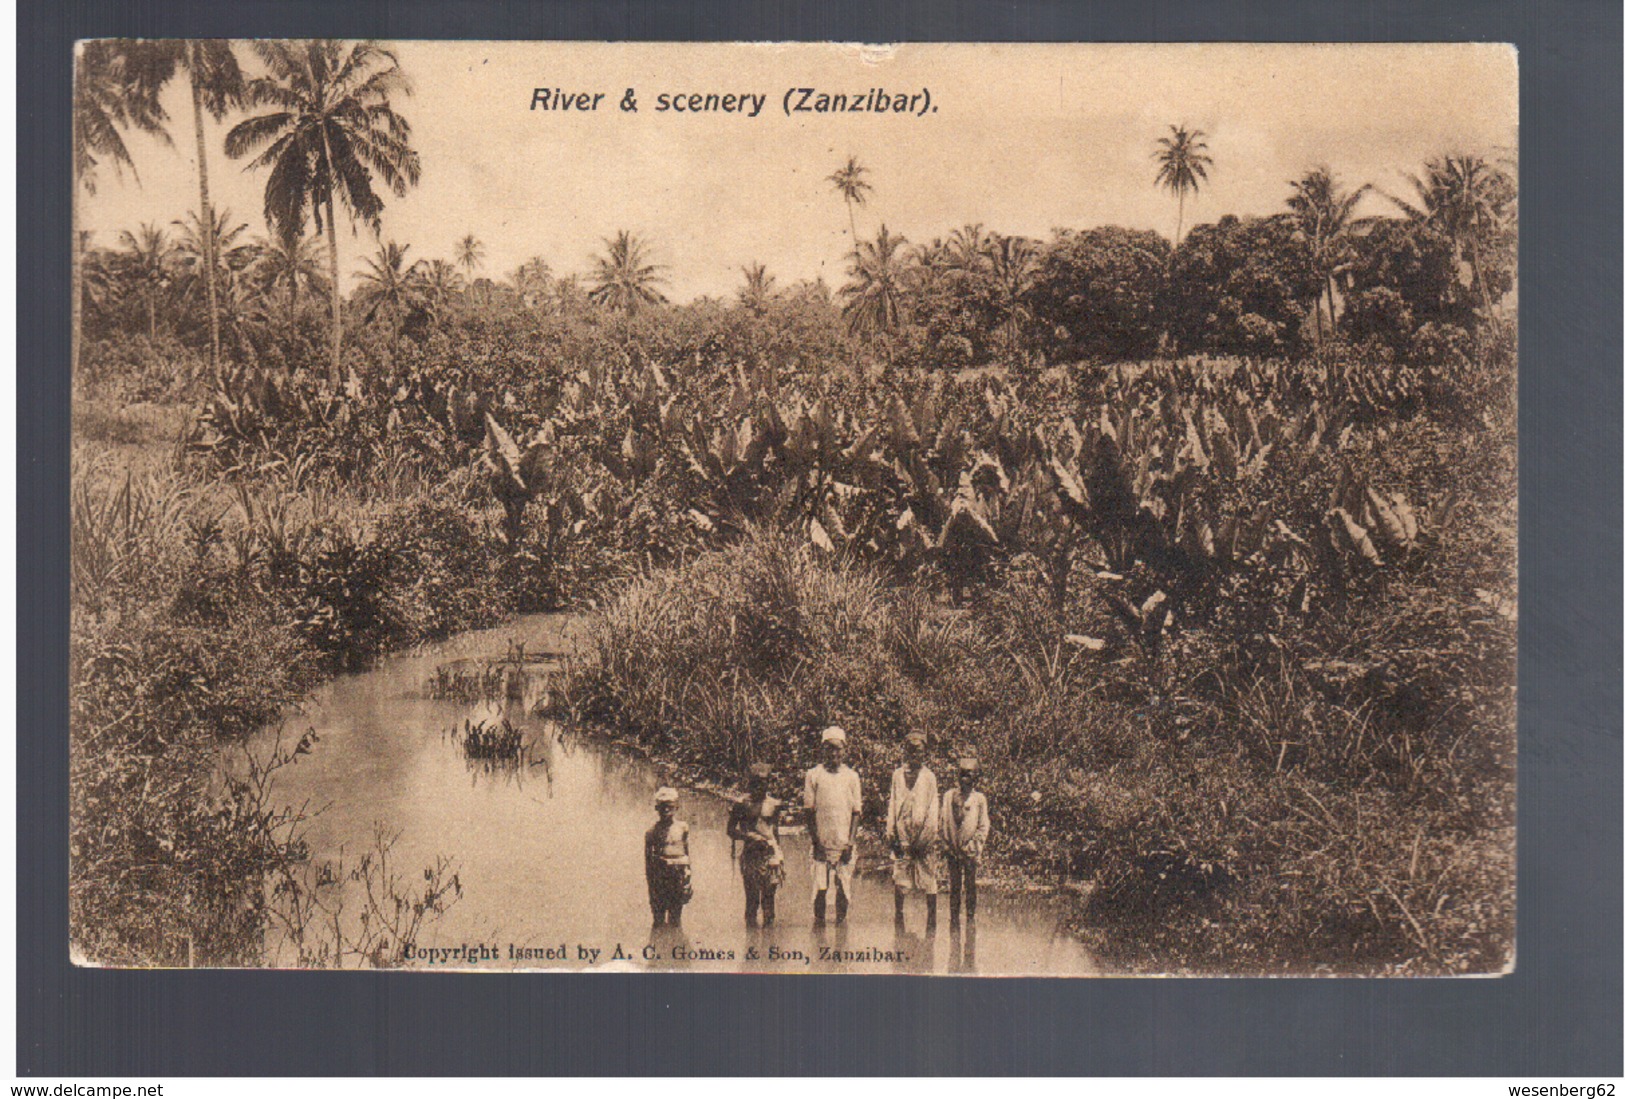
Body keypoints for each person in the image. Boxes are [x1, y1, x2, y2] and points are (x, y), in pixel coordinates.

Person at [803, 726, 862, 926]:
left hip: (843, 842)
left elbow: (856, 812)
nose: (834, 754)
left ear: (845, 750)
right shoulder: (813, 775)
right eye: (829, 748)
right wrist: (816, 842)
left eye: (838, 749)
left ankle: (841, 929)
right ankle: (819, 932)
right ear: (822, 750)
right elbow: (809, 812)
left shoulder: (852, 776)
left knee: (843, 887)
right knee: (820, 888)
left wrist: (850, 843)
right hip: (822, 841)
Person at [885, 732, 940, 933]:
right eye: (911, 749)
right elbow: (893, 804)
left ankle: (931, 922)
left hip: (923, 838)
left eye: (919, 750)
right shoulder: (897, 775)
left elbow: (933, 810)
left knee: (929, 878)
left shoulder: (929, 778)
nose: (915, 754)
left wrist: (926, 838)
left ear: (925, 753)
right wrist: (892, 834)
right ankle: (899, 920)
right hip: (902, 835)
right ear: (905, 751)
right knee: (900, 877)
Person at [727, 762, 785, 927]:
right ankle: (751, 944)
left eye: (764, 782)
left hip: (769, 854)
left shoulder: (774, 805)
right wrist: (748, 836)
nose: (760, 786)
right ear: (750, 784)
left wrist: (778, 854)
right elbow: (730, 830)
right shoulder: (742, 804)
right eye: (756, 782)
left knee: (769, 900)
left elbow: (775, 831)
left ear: (768, 783)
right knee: (752, 900)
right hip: (751, 856)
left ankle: (768, 944)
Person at [941, 756, 990, 928]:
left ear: (976, 777)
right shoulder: (949, 796)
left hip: (970, 852)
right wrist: (947, 845)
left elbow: (983, 827)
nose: (964, 778)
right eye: (961, 774)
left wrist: (972, 847)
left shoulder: (979, 799)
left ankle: (970, 920)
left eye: (968, 775)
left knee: (970, 886)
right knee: (954, 887)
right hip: (953, 850)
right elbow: (943, 822)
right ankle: (954, 922)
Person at [644, 787, 692, 927]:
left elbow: (687, 854)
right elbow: (648, 863)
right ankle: (658, 946)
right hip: (659, 879)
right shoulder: (652, 832)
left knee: (675, 919)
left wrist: (688, 879)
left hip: (677, 878)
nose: (666, 810)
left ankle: (674, 947)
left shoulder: (683, 828)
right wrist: (651, 888)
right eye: (662, 807)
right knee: (658, 920)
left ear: (676, 807)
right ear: (656, 808)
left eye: (669, 807)